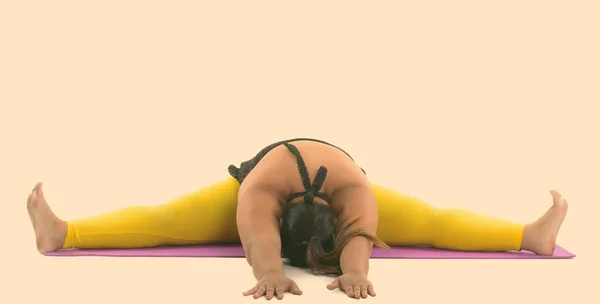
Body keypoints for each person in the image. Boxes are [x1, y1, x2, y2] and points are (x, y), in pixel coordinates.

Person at [27, 138, 568, 300]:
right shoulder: (257, 193)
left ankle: (530, 236)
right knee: (167, 217)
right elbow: (258, 236)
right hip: (258, 179)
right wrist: (267, 272)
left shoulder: (355, 190)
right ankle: (63, 232)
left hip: (335, 179)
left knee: (429, 218)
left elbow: (360, 236)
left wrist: (358, 270)